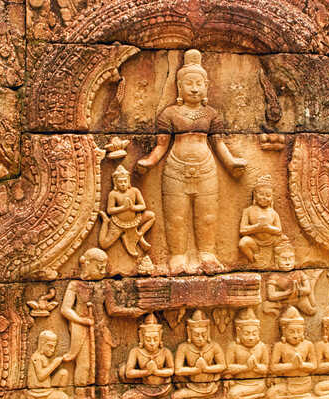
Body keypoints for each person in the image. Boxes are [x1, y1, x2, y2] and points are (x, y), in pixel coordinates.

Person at [136, 49, 245, 274]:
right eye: (189, 83)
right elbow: (161, 146)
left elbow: (219, 145)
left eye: (199, 83)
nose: (194, 88)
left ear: (206, 86)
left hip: (206, 168)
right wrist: (148, 162)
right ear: (179, 87)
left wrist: (231, 163)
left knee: (207, 215)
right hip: (175, 168)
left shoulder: (211, 114)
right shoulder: (169, 114)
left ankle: (207, 253)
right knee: (176, 215)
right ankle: (177, 256)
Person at [60, 248, 109, 393]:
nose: (102, 271)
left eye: (104, 267)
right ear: (87, 263)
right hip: (80, 325)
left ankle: (102, 393)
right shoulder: (75, 285)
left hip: (99, 326)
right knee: (84, 363)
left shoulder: (103, 285)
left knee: (103, 363)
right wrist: (81, 320)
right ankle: (81, 394)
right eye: (99, 267)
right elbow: (65, 309)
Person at [98, 164, 156, 273]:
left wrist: (133, 207)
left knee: (151, 216)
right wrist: (123, 208)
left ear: (128, 181)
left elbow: (142, 206)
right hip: (118, 224)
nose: (123, 184)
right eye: (120, 182)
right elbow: (110, 210)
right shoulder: (113, 194)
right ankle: (107, 223)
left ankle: (138, 234)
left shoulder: (134, 191)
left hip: (134, 221)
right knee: (104, 244)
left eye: (125, 181)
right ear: (115, 183)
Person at [172, 310, 226, 399]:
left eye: (203, 335)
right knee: (175, 396)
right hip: (190, 385)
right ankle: (203, 396)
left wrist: (206, 369)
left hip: (210, 385)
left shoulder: (214, 346)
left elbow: (223, 365)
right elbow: (178, 370)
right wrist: (196, 370)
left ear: (208, 332)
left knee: (178, 396)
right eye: (196, 335)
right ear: (189, 332)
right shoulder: (183, 347)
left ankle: (203, 395)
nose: (200, 338)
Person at [120, 315, 175, 399]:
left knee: (128, 398)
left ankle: (155, 398)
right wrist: (147, 372)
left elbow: (171, 370)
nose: (152, 343)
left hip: (163, 387)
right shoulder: (136, 352)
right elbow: (128, 373)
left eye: (155, 339)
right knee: (126, 396)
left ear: (160, 337)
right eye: (148, 339)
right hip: (143, 387)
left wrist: (156, 371)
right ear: (141, 337)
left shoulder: (165, 352)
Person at [267, 306, 316, 399]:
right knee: (270, 394)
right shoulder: (280, 346)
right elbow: (273, 367)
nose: (296, 336)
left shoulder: (308, 344)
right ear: (284, 331)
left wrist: (301, 365)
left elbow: (314, 365)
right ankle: (299, 396)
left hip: (304, 382)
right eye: (291, 332)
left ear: (303, 330)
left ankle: (298, 395)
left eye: (299, 332)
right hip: (286, 381)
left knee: (272, 394)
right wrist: (292, 366)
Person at [224, 308, 270, 399]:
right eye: (247, 333)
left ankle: (257, 395)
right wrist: (246, 367)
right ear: (238, 331)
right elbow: (228, 368)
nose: (251, 338)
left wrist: (256, 366)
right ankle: (258, 396)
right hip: (240, 384)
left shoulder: (262, 346)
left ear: (259, 331)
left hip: (258, 384)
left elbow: (267, 368)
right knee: (233, 394)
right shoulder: (233, 347)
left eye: (254, 333)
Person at [238, 175, 284, 266]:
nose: (264, 198)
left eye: (268, 195)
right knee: (243, 243)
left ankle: (278, 261)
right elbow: (242, 230)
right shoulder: (248, 211)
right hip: (255, 243)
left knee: (283, 241)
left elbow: (279, 231)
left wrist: (267, 228)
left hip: (271, 241)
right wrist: (257, 227)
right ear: (255, 195)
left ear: (272, 197)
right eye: (261, 194)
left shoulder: (273, 213)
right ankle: (254, 260)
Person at [26, 330, 71, 399]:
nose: (52, 350)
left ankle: (57, 394)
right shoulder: (36, 357)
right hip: (38, 394)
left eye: (54, 347)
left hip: (47, 389)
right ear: (42, 344)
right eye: (50, 346)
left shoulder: (43, 357)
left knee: (63, 373)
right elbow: (41, 377)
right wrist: (54, 364)